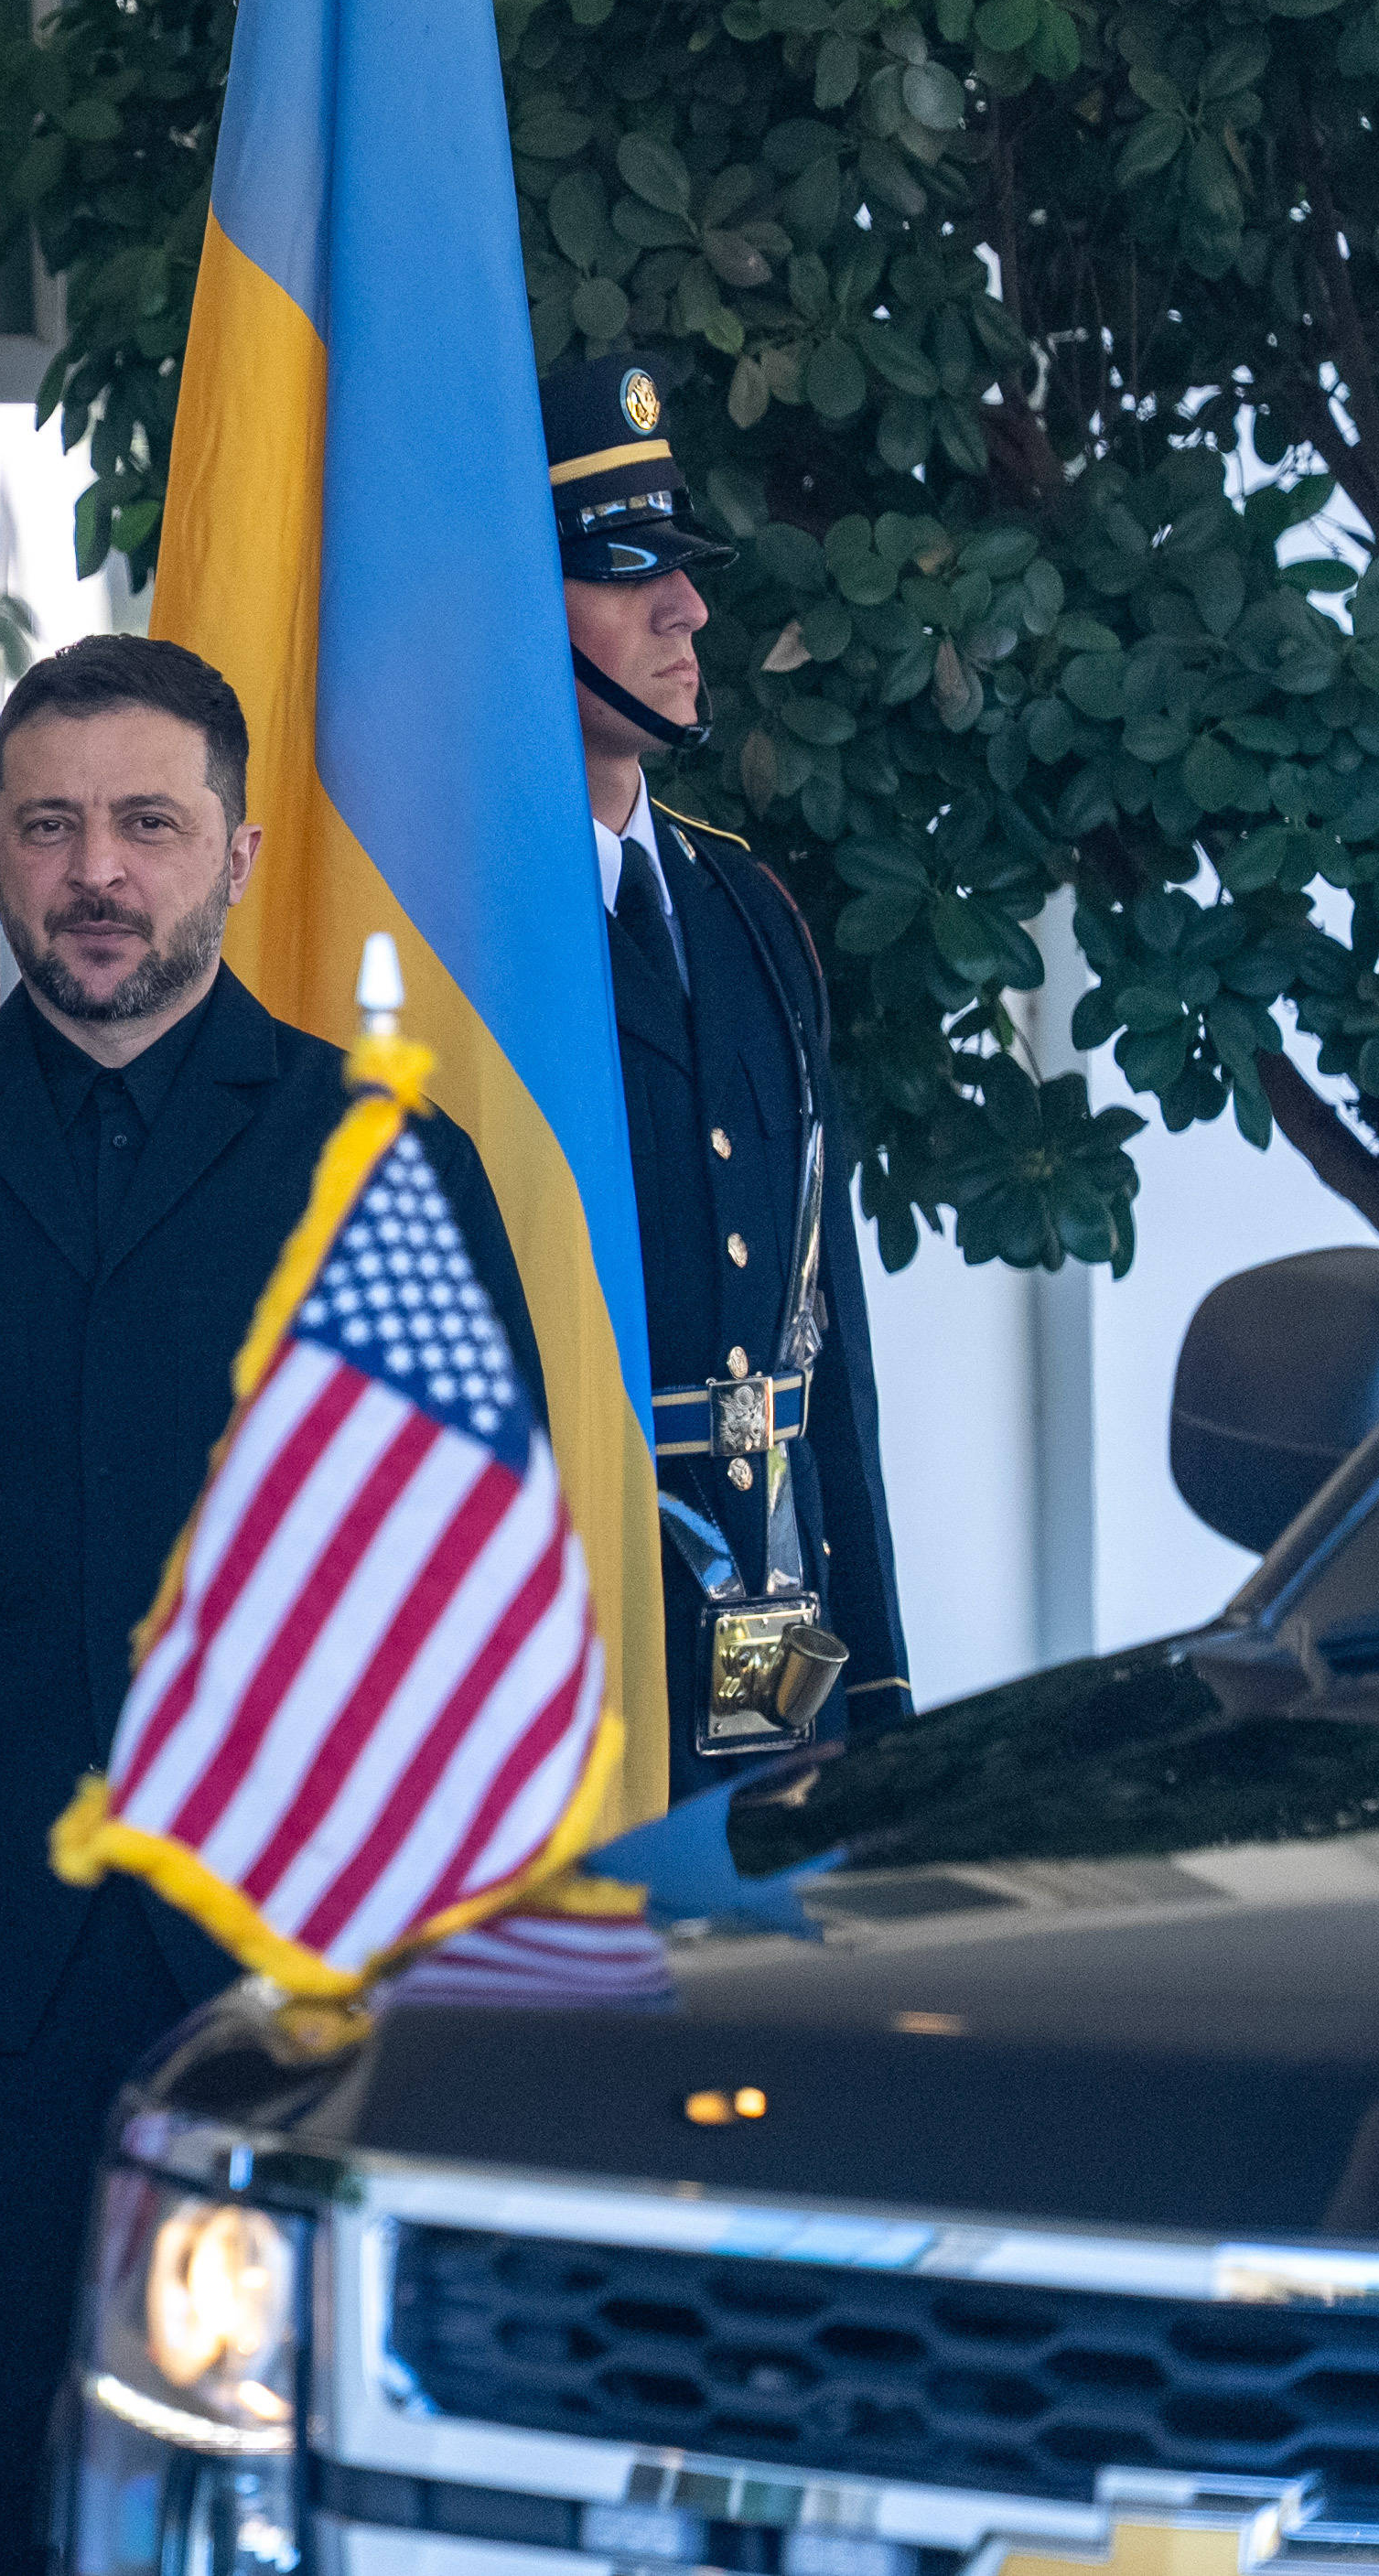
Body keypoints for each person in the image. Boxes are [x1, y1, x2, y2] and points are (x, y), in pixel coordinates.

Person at [0, 634, 542, 2576]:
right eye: (54, 824)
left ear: (239, 849)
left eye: (147, 823)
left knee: (309, 2510)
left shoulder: (387, 1158)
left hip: (301, 1976)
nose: (99, 870)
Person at [543, 350, 908, 1792]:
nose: (683, 607)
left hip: (767, 1619)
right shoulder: (460, 943)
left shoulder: (743, 908)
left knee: (758, 1965)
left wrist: (869, 1685)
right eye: (623, 568)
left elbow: (829, 1336)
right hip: (555, 1644)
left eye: (679, 565)